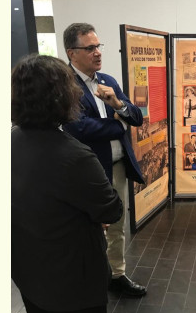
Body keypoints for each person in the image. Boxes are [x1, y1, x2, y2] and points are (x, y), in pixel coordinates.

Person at [11, 54, 123, 313]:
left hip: (28, 268)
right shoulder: (74, 155)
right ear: (61, 96)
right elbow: (111, 209)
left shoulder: (11, 141)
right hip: (73, 280)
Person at [62, 22, 147, 297]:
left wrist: (118, 106)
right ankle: (90, 276)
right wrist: (119, 124)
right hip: (88, 171)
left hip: (117, 167)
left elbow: (137, 117)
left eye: (98, 46)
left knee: (117, 223)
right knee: (90, 226)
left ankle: (116, 275)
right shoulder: (65, 85)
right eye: (90, 48)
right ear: (72, 53)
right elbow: (80, 128)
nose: (97, 52)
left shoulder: (107, 81)